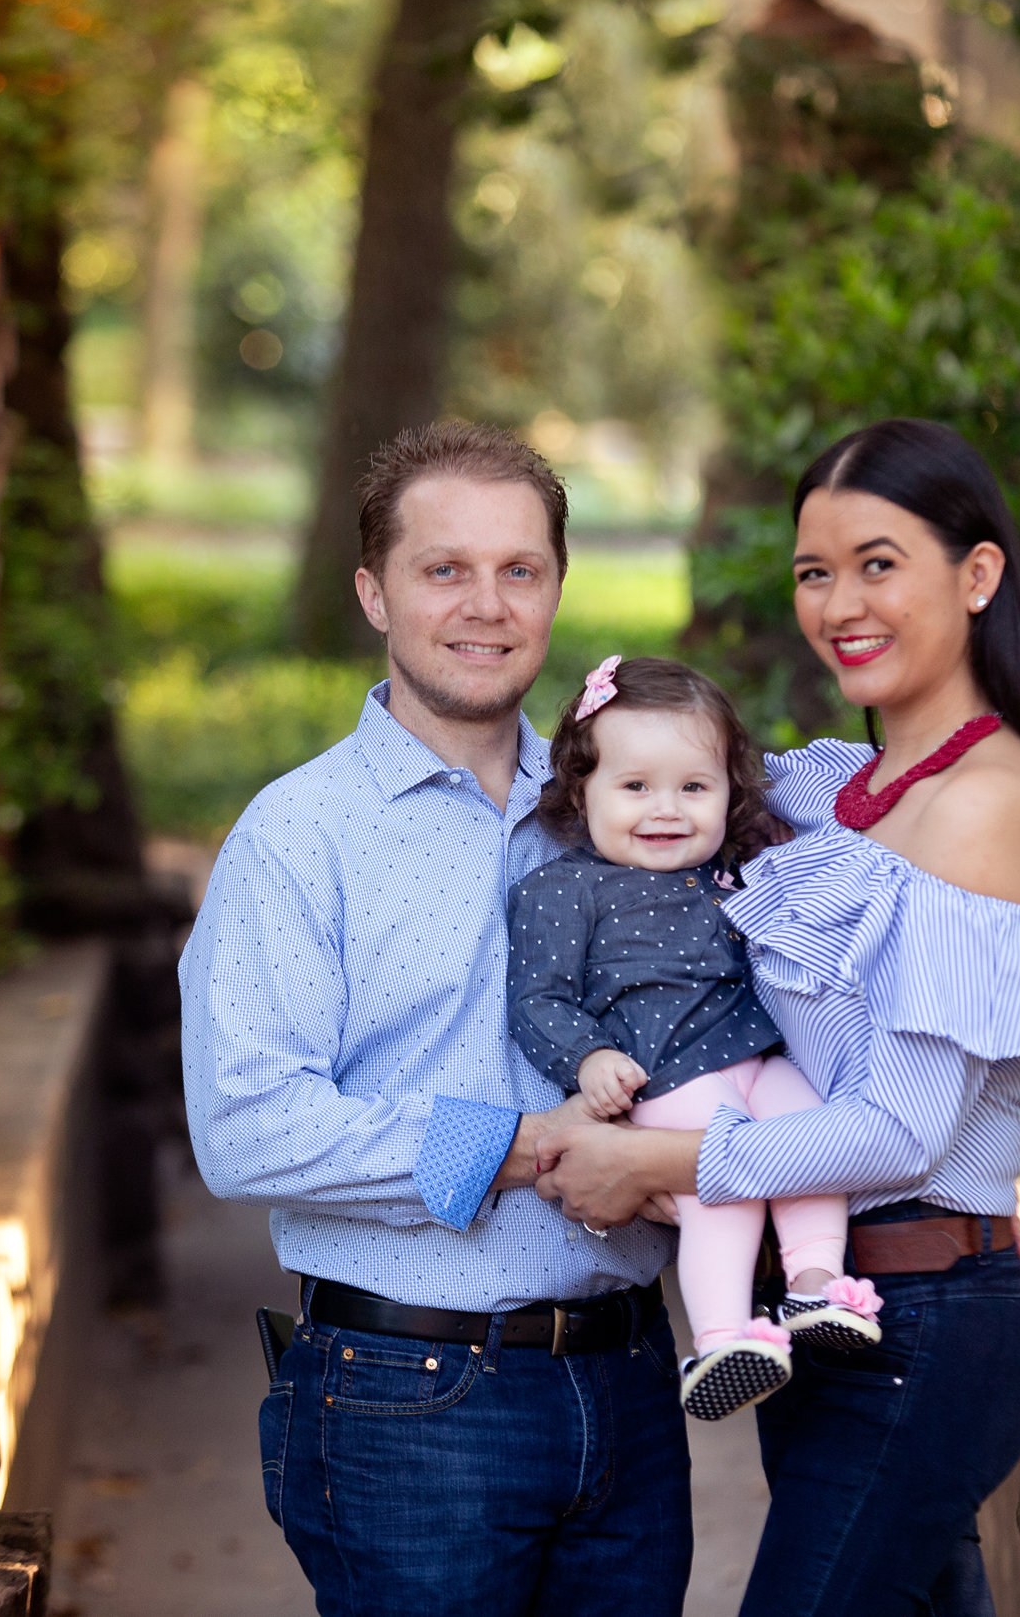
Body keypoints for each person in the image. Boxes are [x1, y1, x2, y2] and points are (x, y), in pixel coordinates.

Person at [534, 418, 1020, 1616]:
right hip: (825, 1310)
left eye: (877, 561)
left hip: (925, 1323)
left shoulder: (987, 807)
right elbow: (652, 797)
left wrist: (652, 1157)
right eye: (814, 570)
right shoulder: (827, 792)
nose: (838, 600)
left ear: (978, 573)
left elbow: (899, 1130)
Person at [180, 421, 691, 1617]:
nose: (487, 604)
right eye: (444, 568)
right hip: (406, 1397)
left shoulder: (620, 806)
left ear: (559, 587)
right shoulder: (298, 837)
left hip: (626, 1378)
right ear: (373, 590)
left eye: (520, 569)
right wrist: (528, 1149)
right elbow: (248, 1126)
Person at [507, 654, 884, 1422]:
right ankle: (721, 1334)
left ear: (728, 794)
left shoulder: (735, 872)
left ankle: (815, 1282)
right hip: (670, 1078)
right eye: (635, 786)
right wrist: (589, 1057)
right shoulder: (563, 886)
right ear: (581, 792)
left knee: (808, 1130)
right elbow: (537, 998)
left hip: (757, 1055)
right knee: (725, 1171)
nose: (666, 809)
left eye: (694, 786)